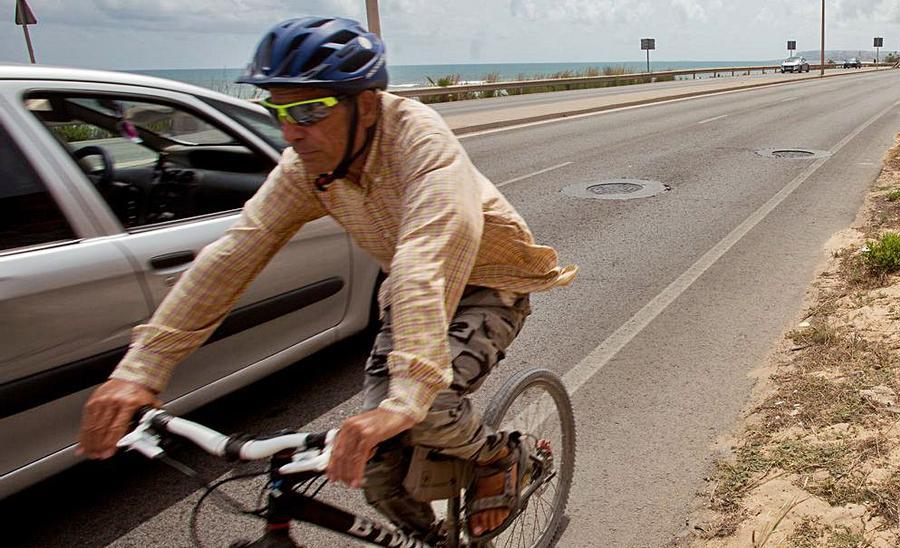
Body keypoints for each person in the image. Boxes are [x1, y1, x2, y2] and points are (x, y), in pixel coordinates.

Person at [75, 16, 576, 541]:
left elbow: (422, 262)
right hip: (410, 296)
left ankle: (502, 457)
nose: (291, 131)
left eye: (309, 109)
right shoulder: (308, 167)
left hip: (490, 283)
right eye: (278, 109)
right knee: (377, 470)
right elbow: (235, 253)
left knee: (423, 412)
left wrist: (406, 400)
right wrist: (142, 368)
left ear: (364, 103)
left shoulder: (421, 143)